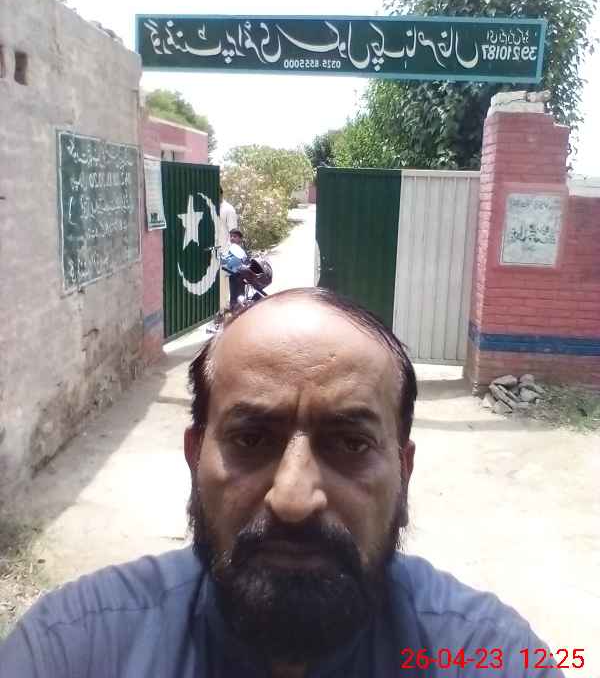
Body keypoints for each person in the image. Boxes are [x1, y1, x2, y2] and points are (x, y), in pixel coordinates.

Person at [0, 288, 563, 677]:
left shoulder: (486, 656)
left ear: (404, 470)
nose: (293, 499)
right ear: (195, 456)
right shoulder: (75, 649)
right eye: (251, 439)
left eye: (350, 444)